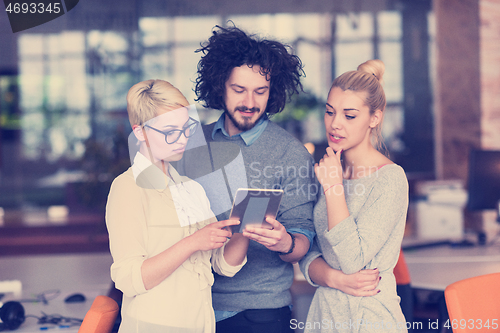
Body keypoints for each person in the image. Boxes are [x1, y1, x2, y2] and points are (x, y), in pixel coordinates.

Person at [176, 25, 380, 333]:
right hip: (187, 307)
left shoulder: (290, 153)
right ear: (220, 86)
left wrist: (285, 241)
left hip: (258, 313)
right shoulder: (188, 147)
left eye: (260, 91)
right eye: (238, 90)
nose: (250, 102)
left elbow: (302, 243)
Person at [105, 79, 248, 333]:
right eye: (170, 131)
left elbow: (220, 265)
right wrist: (194, 241)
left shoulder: (191, 188)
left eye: (186, 129)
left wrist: (248, 229)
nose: (182, 139)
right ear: (140, 132)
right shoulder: (127, 188)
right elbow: (129, 279)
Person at [299, 59, 409, 332]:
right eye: (329, 112)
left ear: (375, 117)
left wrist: (334, 189)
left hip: (369, 317)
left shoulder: (390, 179)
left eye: (349, 116)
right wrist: (334, 279)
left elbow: (352, 260)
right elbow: (307, 251)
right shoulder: (327, 169)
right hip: (325, 315)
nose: (335, 124)